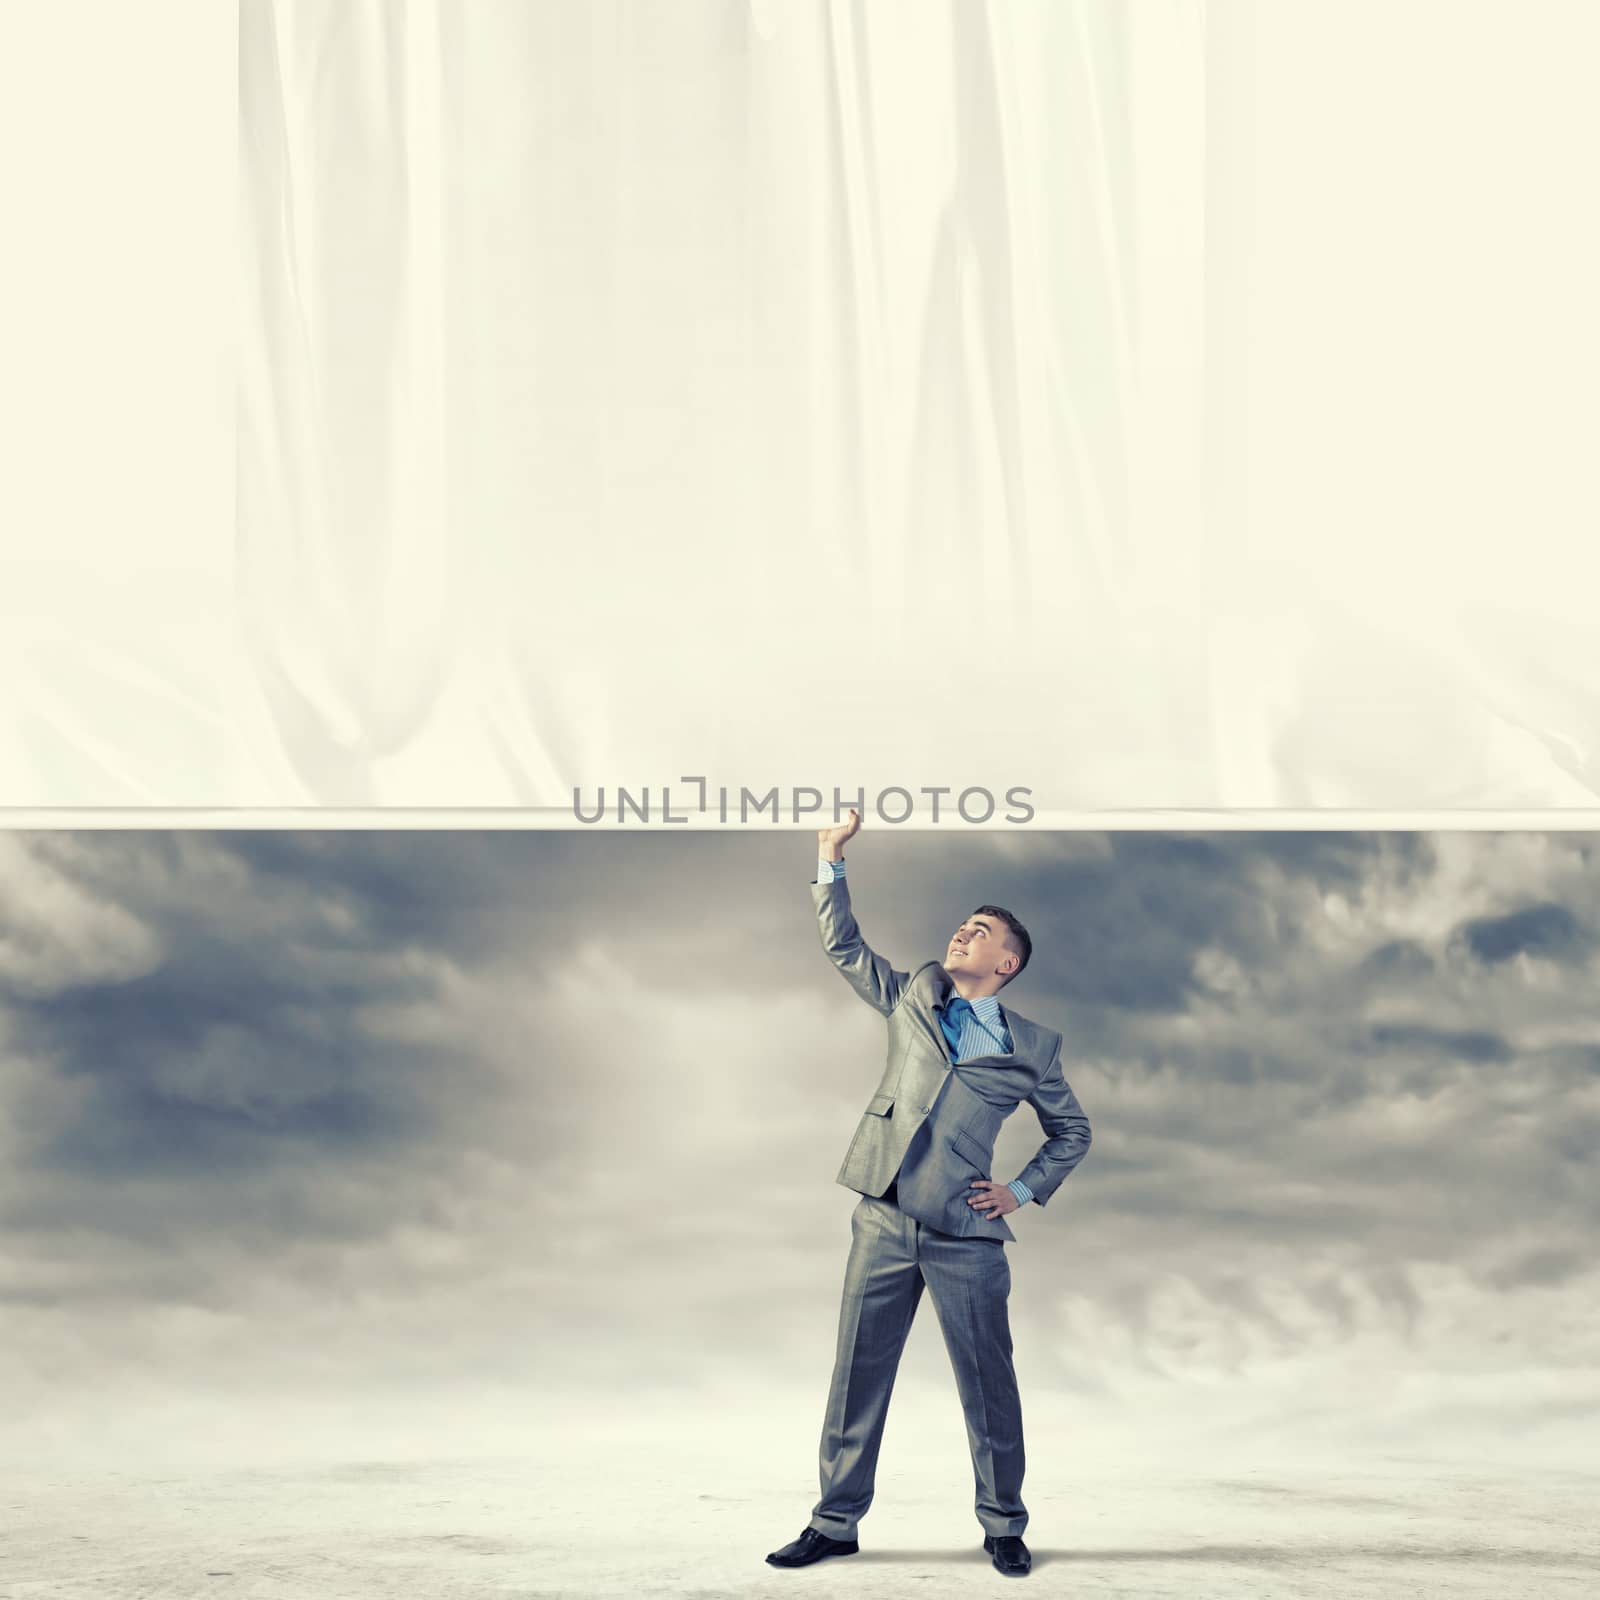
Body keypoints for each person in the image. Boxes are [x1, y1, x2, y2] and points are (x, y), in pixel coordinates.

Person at [766, 808, 1094, 1580]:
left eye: (980, 932)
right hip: (882, 1215)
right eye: (961, 926)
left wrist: (1017, 1191)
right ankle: (834, 1522)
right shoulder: (914, 993)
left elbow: (1072, 1132)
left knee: (989, 1384)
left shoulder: (1034, 1048)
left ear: (1007, 963)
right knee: (857, 1376)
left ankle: (1004, 1525)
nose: (961, 936)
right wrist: (829, 858)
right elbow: (843, 946)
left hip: (965, 1237)